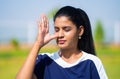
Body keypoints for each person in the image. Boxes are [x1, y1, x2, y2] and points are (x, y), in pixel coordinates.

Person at [16, 6, 108, 79]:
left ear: (80, 31)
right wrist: (37, 44)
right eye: (56, 29)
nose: (60, 34)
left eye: (66, 29)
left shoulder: (91, 63)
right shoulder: (45, 61)